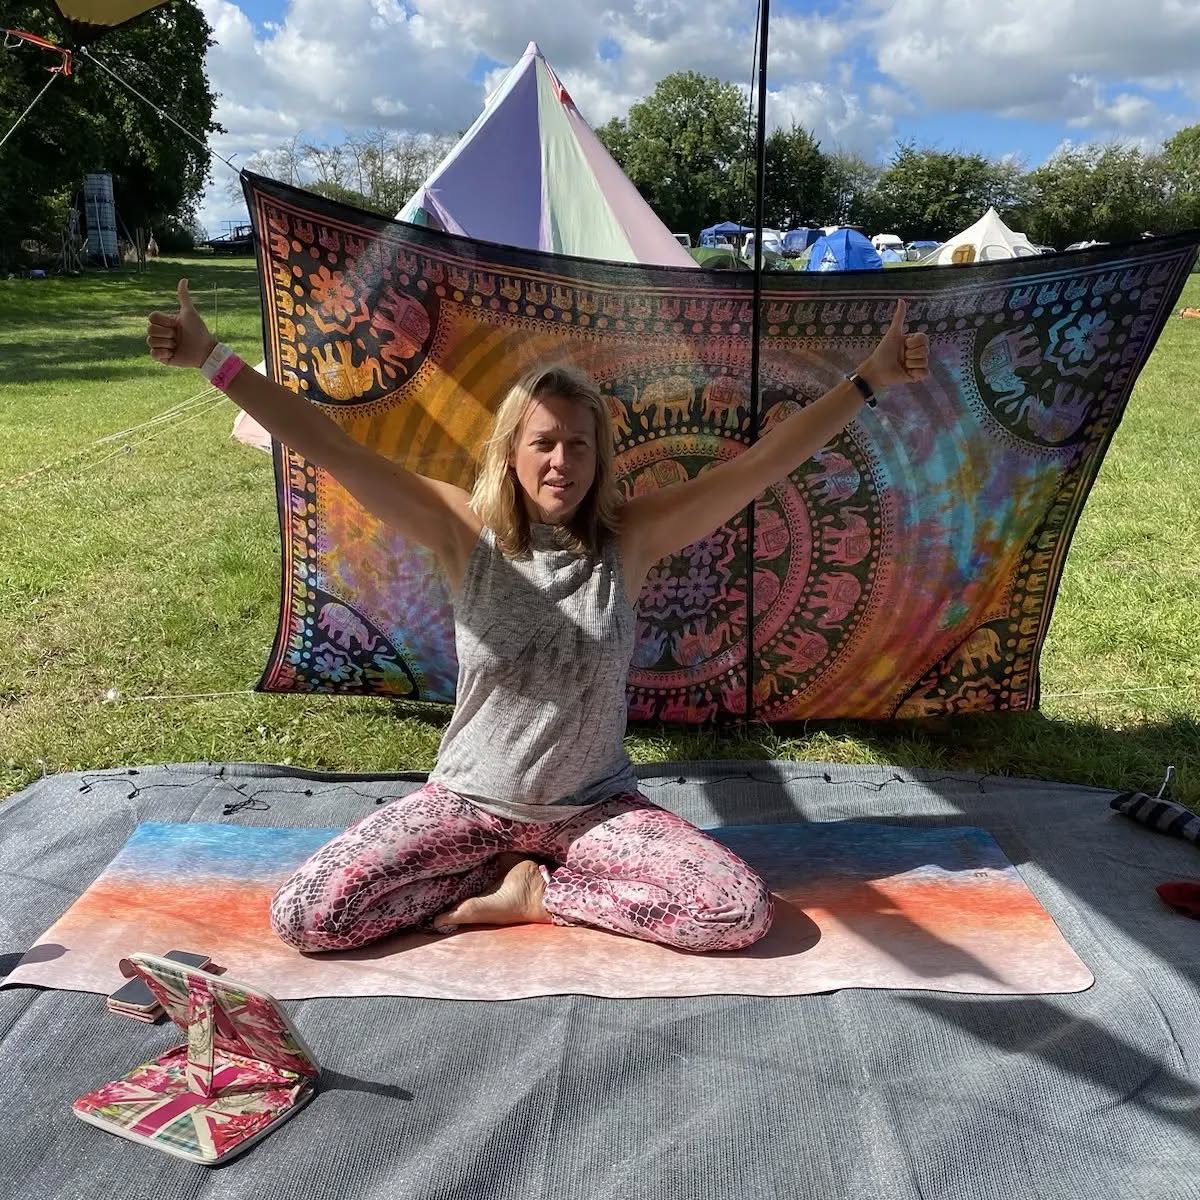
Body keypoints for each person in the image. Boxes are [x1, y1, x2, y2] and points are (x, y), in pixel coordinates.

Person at [147, 279, 928, 955]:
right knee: (310, 915)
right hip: (466, 803)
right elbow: (337, 449)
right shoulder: (464, 532)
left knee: (734, 911)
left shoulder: (634, 537)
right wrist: (215, 362)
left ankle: (540, 894)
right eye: (544, 443)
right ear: (512, 452)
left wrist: (871, 380)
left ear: (600, 457)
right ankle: (490, 866)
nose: (562, 463)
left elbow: (763, 462)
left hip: (594, 812)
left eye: (579, 447)